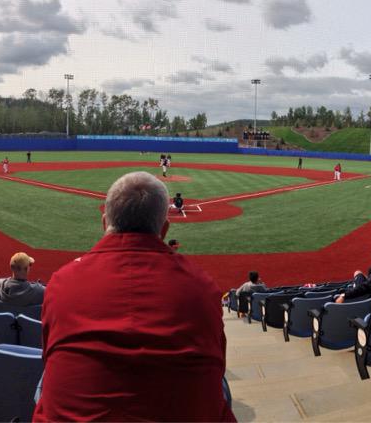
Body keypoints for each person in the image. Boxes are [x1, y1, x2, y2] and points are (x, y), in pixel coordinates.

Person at [34, 172, 234, 421]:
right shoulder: (203, 287)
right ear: (164, 229)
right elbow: (216, 362)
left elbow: (50, 355)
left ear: (104, 222)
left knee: (46, 376)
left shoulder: (61, 283)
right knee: (221, 382)